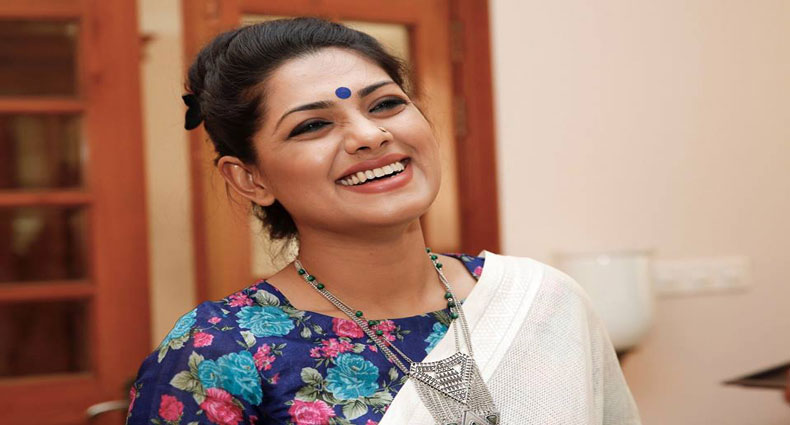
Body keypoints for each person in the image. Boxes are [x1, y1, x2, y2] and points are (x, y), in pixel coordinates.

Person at [127, 17, 641, 425]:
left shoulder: (544, 301)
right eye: (313, 125)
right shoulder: (217, 352)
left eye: (387, 104)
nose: (370, 135)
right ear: (250, 178)